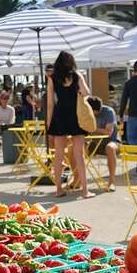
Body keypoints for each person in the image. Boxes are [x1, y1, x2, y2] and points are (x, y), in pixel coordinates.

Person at [47, 51, 94, 199]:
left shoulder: (52, 78)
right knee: (79, 154)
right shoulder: (76, 75)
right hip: (75, 116)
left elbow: (49, 104)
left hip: (59, 116)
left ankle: (59, 189)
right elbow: (87, 93)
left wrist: (49, 124)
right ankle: (85, 190)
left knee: (59, 155)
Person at [87, 96, 119, 192]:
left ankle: (112, 182)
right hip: (94, 142)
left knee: (110, 148)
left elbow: (108, 132)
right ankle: (78, 180)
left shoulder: (108, 112)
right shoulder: (87, 113)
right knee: (74, 147)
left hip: (111, 141)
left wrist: (93, 129)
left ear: (96, 110)